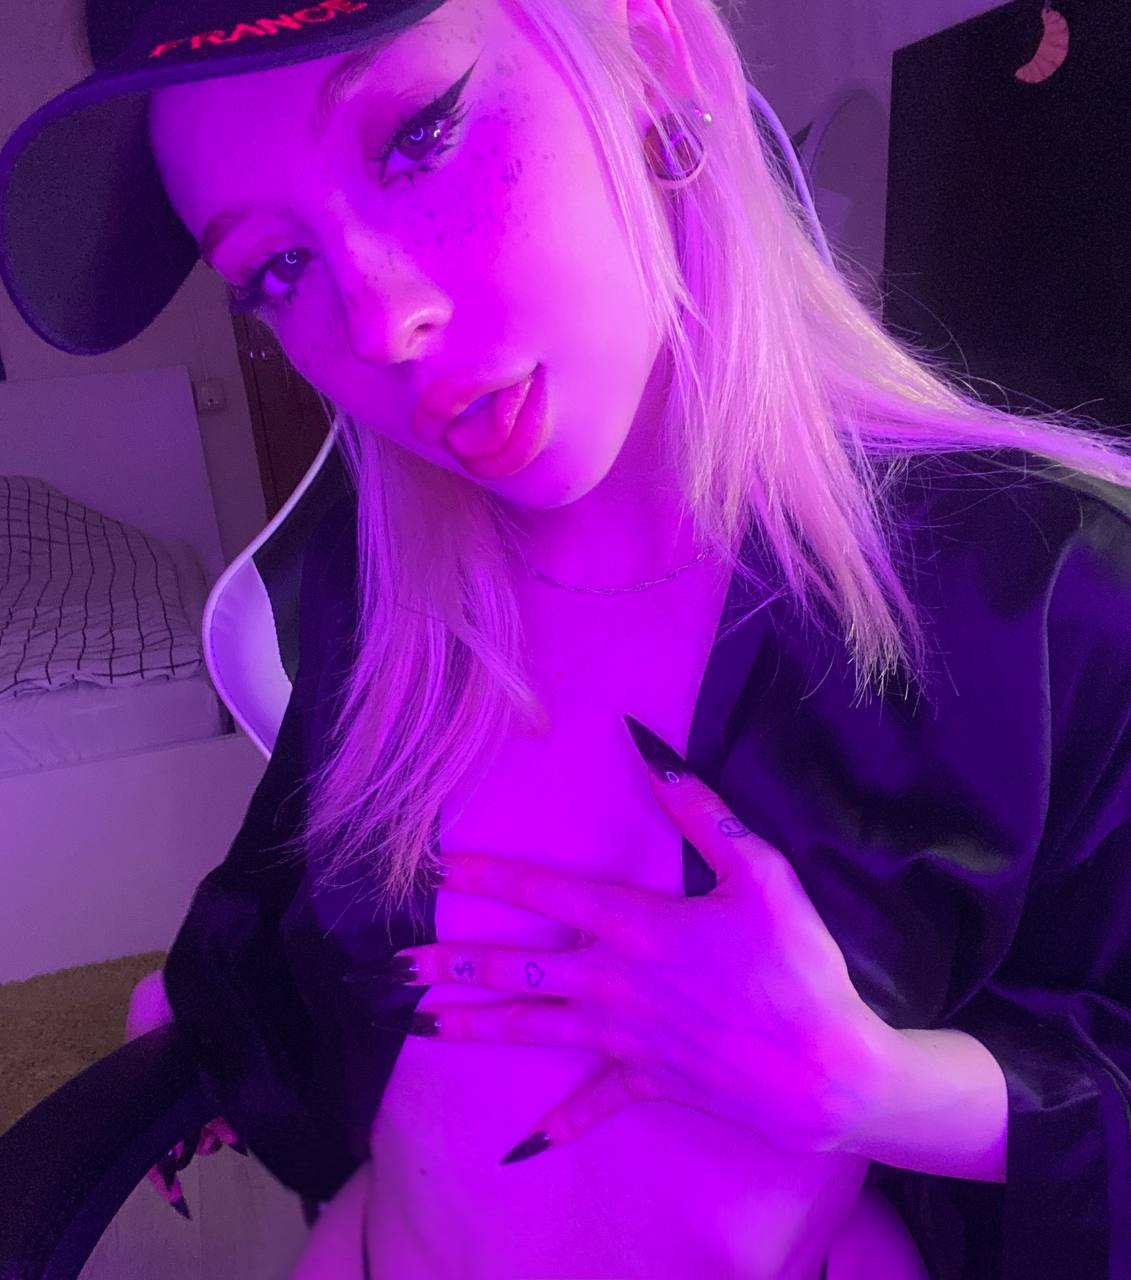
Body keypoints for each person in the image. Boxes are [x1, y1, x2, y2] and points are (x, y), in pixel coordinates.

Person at [1, 0, 1130, 1276]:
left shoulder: (1037, 592)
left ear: (649, 48)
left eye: (418, 137)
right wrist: (208, 1020)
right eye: (277, 268)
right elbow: (296, 878)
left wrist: (872, 1088)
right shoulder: (380, 586)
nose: (378, 324)